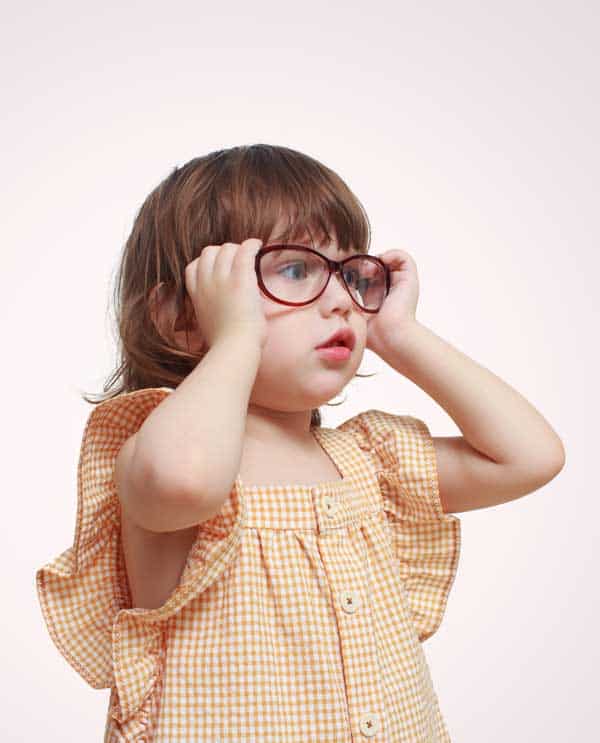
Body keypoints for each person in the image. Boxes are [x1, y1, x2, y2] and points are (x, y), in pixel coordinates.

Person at [35, 143, 565, 742]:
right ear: (183, 318)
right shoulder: (157, 450)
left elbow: (531, 456)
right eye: (294, 270)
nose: (340, 298)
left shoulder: (370, 459)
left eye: (350, 274)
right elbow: (185, 482)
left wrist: (401, 334)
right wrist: (236, 336)